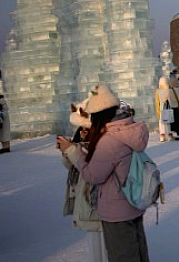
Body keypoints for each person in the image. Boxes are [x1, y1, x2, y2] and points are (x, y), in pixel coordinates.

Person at [56, 84, 151, 262]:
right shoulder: (126, 129)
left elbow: (93, 175)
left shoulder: (109, 140)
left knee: (123, 255)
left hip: (117, 211)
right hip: (132, 202)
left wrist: (72, 151)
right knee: (137, 252)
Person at [62, 98, 108, 262]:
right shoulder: (80, 138)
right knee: (94, 245)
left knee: (104, 245)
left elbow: (93, 168)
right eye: (80, 127)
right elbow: (73, 167)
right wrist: (67, 151)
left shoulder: (104, 139)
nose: (82, 130)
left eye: (85, 127)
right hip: (85, 196)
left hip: (98, 197)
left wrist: (75, 152)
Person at [154, 76, 173, 142]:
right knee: (168, 123)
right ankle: (169, 135)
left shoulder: (158, 91)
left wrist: (158, 111)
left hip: (161, 110)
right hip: (168, 109)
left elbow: (157, 102)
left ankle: (162, 136)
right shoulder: (169, 91)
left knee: (161, 123)